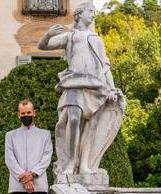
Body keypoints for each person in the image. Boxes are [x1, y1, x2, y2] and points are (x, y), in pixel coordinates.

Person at [37, 1, 125, 181]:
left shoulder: (97, 39)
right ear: (79, 14)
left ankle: (84, 164)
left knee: (90, 125)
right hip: (73, 83)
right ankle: (70, 163)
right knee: (74, 119)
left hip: (95, 85)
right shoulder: (70, 36)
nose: (93, 15)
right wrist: (47, 34)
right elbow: (42, 46)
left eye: (93, 12)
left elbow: (105, 65)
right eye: (90, 11)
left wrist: (111, 87)